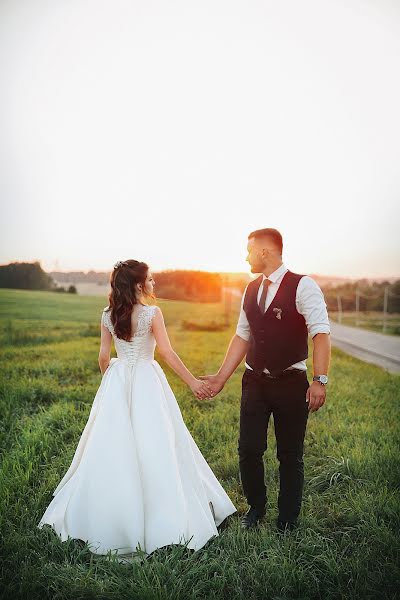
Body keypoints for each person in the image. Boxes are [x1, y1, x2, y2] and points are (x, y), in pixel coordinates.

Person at [37, 259, 236, 556]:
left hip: (118, 379)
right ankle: (161, 512)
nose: (154, 284)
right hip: (146, 378)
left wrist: (111, 382)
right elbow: (166, 353)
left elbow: (104, 357)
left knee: (113, 444)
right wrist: (193, 382)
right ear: (140, 285)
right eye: (151, 280)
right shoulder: (152, 313)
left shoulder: (107, 315)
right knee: (156, 441)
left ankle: (112, 512)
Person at [200, 228, 331, 532]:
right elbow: (242, 335)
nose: (246, 257)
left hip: (290, 382)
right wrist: (221, 377)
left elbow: (320, 334)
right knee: (248, 449)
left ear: (264, 252)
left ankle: (287, 519)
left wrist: (319, 380)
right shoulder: (250, 289)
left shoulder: (303, 286)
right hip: (254, 382)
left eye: (249, 251)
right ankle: (256, 509)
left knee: (289, 454)